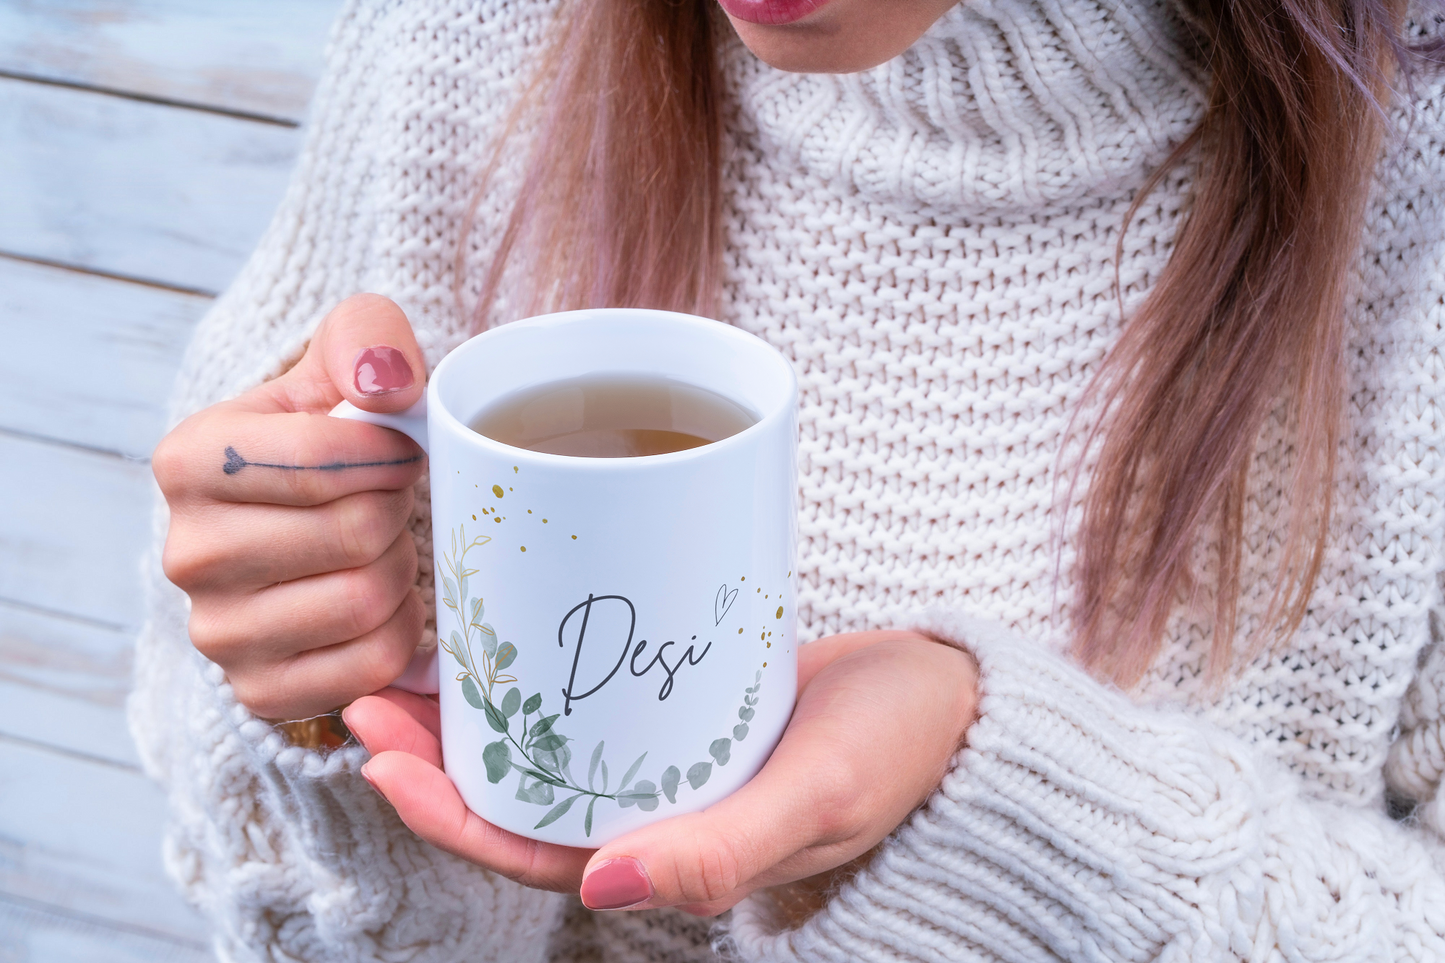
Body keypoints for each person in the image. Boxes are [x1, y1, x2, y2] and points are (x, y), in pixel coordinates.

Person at [136, 0, 1445, 959]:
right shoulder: (461, 42)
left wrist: (990, 810)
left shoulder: (1413, 188)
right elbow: (286, 919)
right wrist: (320, 705)